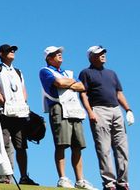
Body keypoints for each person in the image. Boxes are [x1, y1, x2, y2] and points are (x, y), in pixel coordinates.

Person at [39, 46, 97, 190]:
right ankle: (63, 178)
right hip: (59, 107)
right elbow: (59, 83)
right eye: (55, 53)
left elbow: (82, 86)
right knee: (62, 144)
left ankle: (80, 180)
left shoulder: (67, 72)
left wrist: (68, 82)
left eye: (60, 53)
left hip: (74, 109)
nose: (59, 55)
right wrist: (71, 83)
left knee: (77, 146)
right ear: (48, 58)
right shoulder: (45, 71)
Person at [78, 46, 133, 190]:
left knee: (122, 148)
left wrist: (128, 110)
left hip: (116, 110)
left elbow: (119, 93)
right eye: (99, 54)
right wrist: (90, 112)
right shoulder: (86, 73)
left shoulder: (112, 73)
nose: (103, 55)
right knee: (104, 148)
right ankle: (110, 183)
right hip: (99, 110)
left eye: (103, 53)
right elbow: (83, 94)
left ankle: (123, 182)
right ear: (91, 57)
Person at [0, 44, 39, 186]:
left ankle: (24, 176)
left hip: (19, 114)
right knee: (3, 144)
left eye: (13, 50)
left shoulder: (18, 71)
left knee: (21, 146)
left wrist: (22, 104)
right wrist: (6, 104)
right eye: (8, 50)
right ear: (1, 53)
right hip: (4, 113)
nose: (12, 52)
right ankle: (3, 176)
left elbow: (24, 91)